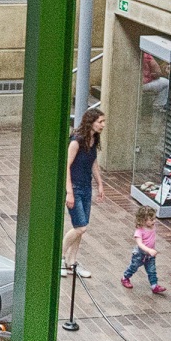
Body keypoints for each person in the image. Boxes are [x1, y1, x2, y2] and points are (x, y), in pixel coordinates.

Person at [63, 107, 104, 277]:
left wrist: (99, 183)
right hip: (75, 187)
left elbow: (93, 162)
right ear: (91, 122)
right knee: (81, 227)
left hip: (86, 186)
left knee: (80, 227)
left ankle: (72, 261)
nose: (103, 125)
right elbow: (66, 166)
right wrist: (69, 192)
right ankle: (60, 257)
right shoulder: (76, 141)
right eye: (100, 121)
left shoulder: (94, 140)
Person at [120, 205, 164, 293]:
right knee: (133, 267)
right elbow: (140, 244)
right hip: (139, 254)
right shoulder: (139, 231)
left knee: (152, 270)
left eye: (154, 218)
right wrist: (149, 250)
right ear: (143, 220)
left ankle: (154, 285)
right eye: (151, 219)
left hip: (150, 255)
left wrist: (151, 251)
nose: (154, 221)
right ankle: (125, 277)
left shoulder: (152, 227)